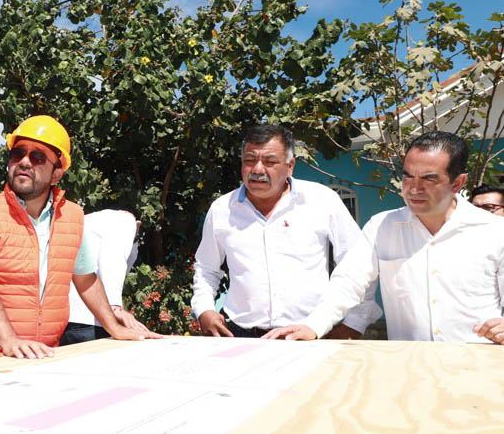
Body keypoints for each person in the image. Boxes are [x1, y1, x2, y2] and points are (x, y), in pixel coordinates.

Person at [267, 131, 504, 345]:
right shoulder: (382, 227)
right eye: (408, 176)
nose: (413, 188)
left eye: (428, 179)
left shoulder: (495, 231)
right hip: (410, 366)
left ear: (458, 182)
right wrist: (314, 325)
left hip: (480, 363)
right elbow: (349, 282)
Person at [0, 116, 161, 361]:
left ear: (57, 173)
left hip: (46, 355)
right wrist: (9, 341)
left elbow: (86, 279)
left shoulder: (73, 216)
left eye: (38, 157)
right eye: (17, 153)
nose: (24, 161)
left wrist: (114, 327)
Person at [191, 124, 382, 339]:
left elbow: (358, 265)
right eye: (249, 160)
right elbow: (207, 269)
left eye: (270, 162)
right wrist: (204, 309)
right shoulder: (222, 209)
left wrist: (355, 323)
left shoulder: (322, 201)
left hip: (309, 334)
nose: (258, 170)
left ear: (290, 165)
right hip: (239, 336)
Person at [61, 209, 148, 345]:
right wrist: (115, 306)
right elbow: (114, 259)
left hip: (65, 317)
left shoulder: (86, 222)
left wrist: (134, 239)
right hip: (92, 320)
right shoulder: (124, 220)